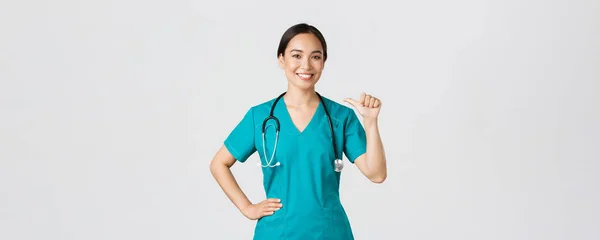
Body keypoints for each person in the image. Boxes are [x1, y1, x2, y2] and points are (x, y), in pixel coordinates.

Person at [209, 23, 387, 240]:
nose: (306, 65)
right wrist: (247, 207)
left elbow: (376, 174)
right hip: (276, 233)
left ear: (323, 63)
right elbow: (219, 164)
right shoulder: (260, 117)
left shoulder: (341, 117)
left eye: (315, 57)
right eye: (296, 55)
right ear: (281, 59)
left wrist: (370, 122)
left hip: (329, 232)